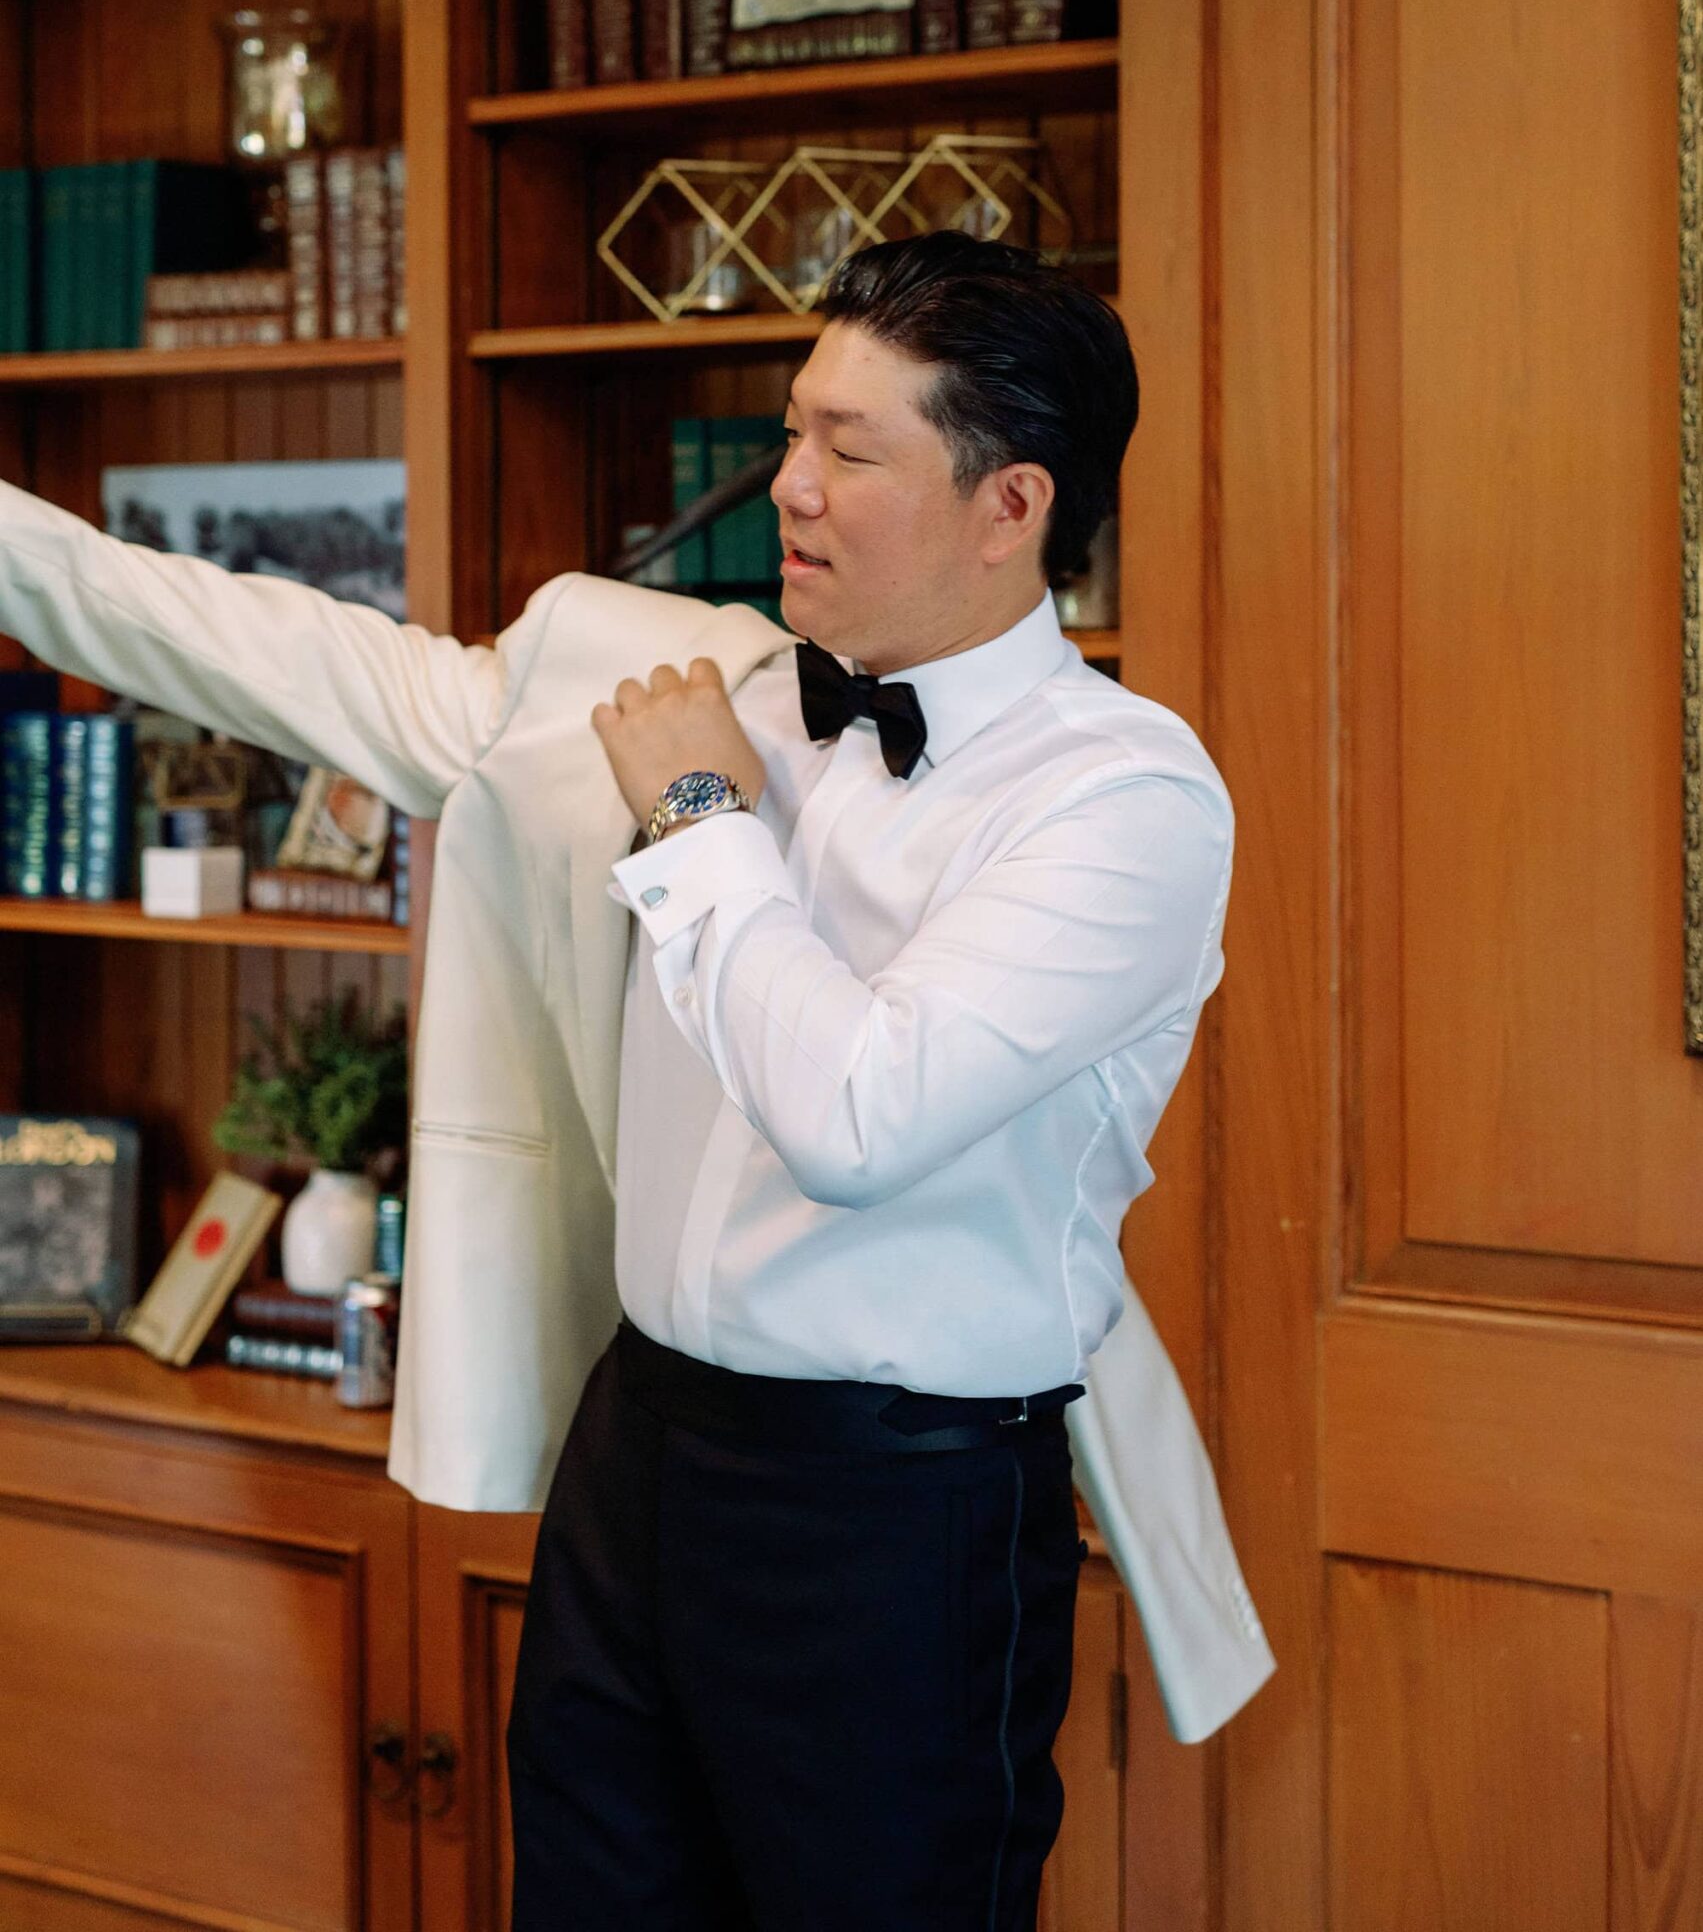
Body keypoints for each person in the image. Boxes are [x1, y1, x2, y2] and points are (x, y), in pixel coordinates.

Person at [0, 231, 1268, 1930]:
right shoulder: (690, 682)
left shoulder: (1125, 801)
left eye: (852, 450)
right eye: (794, 430)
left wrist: (698, 820)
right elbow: (294, 659)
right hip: (641, 1453)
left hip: (897, 1513)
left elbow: (857, 1119)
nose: (791, 489)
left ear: (1011, 502)